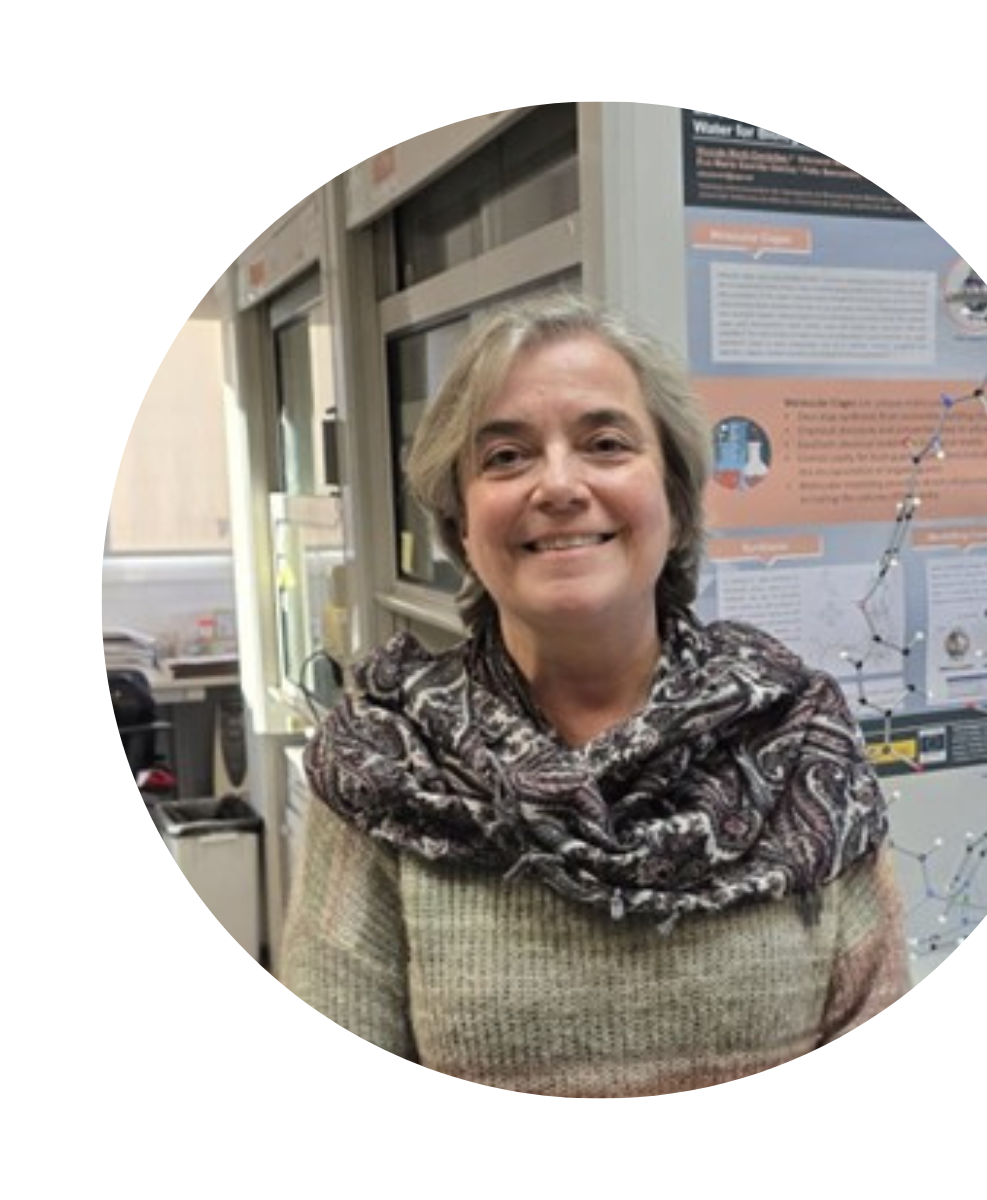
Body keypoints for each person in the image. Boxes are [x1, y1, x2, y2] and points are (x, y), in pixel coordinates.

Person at [281, 292, 909, 1097]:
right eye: (505, 456)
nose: (558, 485)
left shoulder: (795, 737)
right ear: (461, 523)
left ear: (676, 501)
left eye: (605, 444)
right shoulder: (384, 762)